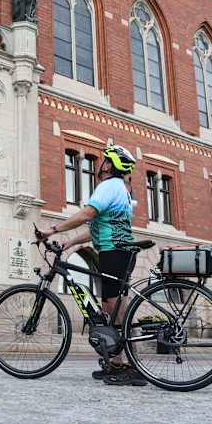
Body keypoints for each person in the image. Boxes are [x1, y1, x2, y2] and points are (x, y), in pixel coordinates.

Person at [38, 145, 145, 386]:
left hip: (114, 252)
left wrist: (52, 229)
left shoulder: (109, 186)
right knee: (114, 308)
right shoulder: (120, 188)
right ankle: (117, 363)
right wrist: (68, 243)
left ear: (111, 165)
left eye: (105, 160)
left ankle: (132, 366)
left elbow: (87, 214)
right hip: (118, 251)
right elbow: (95, 228)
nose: (101, 164)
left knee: (114, 308)